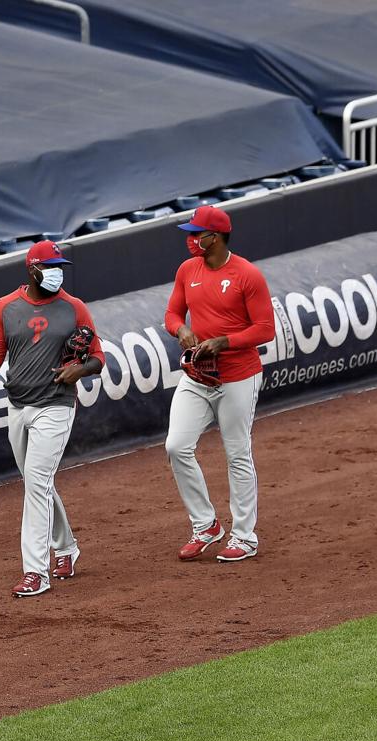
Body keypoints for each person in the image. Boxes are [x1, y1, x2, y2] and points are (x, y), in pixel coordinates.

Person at [0, 240, 105, 596]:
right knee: (38, 483)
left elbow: (97, 356)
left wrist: (79, 370)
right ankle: (66, 546)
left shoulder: (74, 308)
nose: (57, 273)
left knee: (36, 482)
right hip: (18, 405)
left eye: (60, 267)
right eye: (50, 267)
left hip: (56, 404)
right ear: (32, 269)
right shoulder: (5, 307)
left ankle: (35, 573)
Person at [164, 205, 275, 562]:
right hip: (197, 375)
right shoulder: (187, 270)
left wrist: (224, 341)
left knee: (237, 453)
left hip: (239, 375)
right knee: (176, 446)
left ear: (216, 237)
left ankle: (245, 537)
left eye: (197, 233)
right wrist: (181, 329)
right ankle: (206, 525)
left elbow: (265, 329)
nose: (191, 239)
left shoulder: (247, 275)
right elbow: (172, 313)